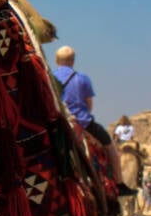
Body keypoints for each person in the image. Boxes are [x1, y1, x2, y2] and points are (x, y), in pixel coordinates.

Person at [52, 46, 134, 196]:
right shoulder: (82, 79)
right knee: (110, 147)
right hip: (83, 123)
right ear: (73, 61)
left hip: (57, 124)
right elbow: (89, 105)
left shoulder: (49, 78)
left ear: (56, 60)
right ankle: (120, 183)